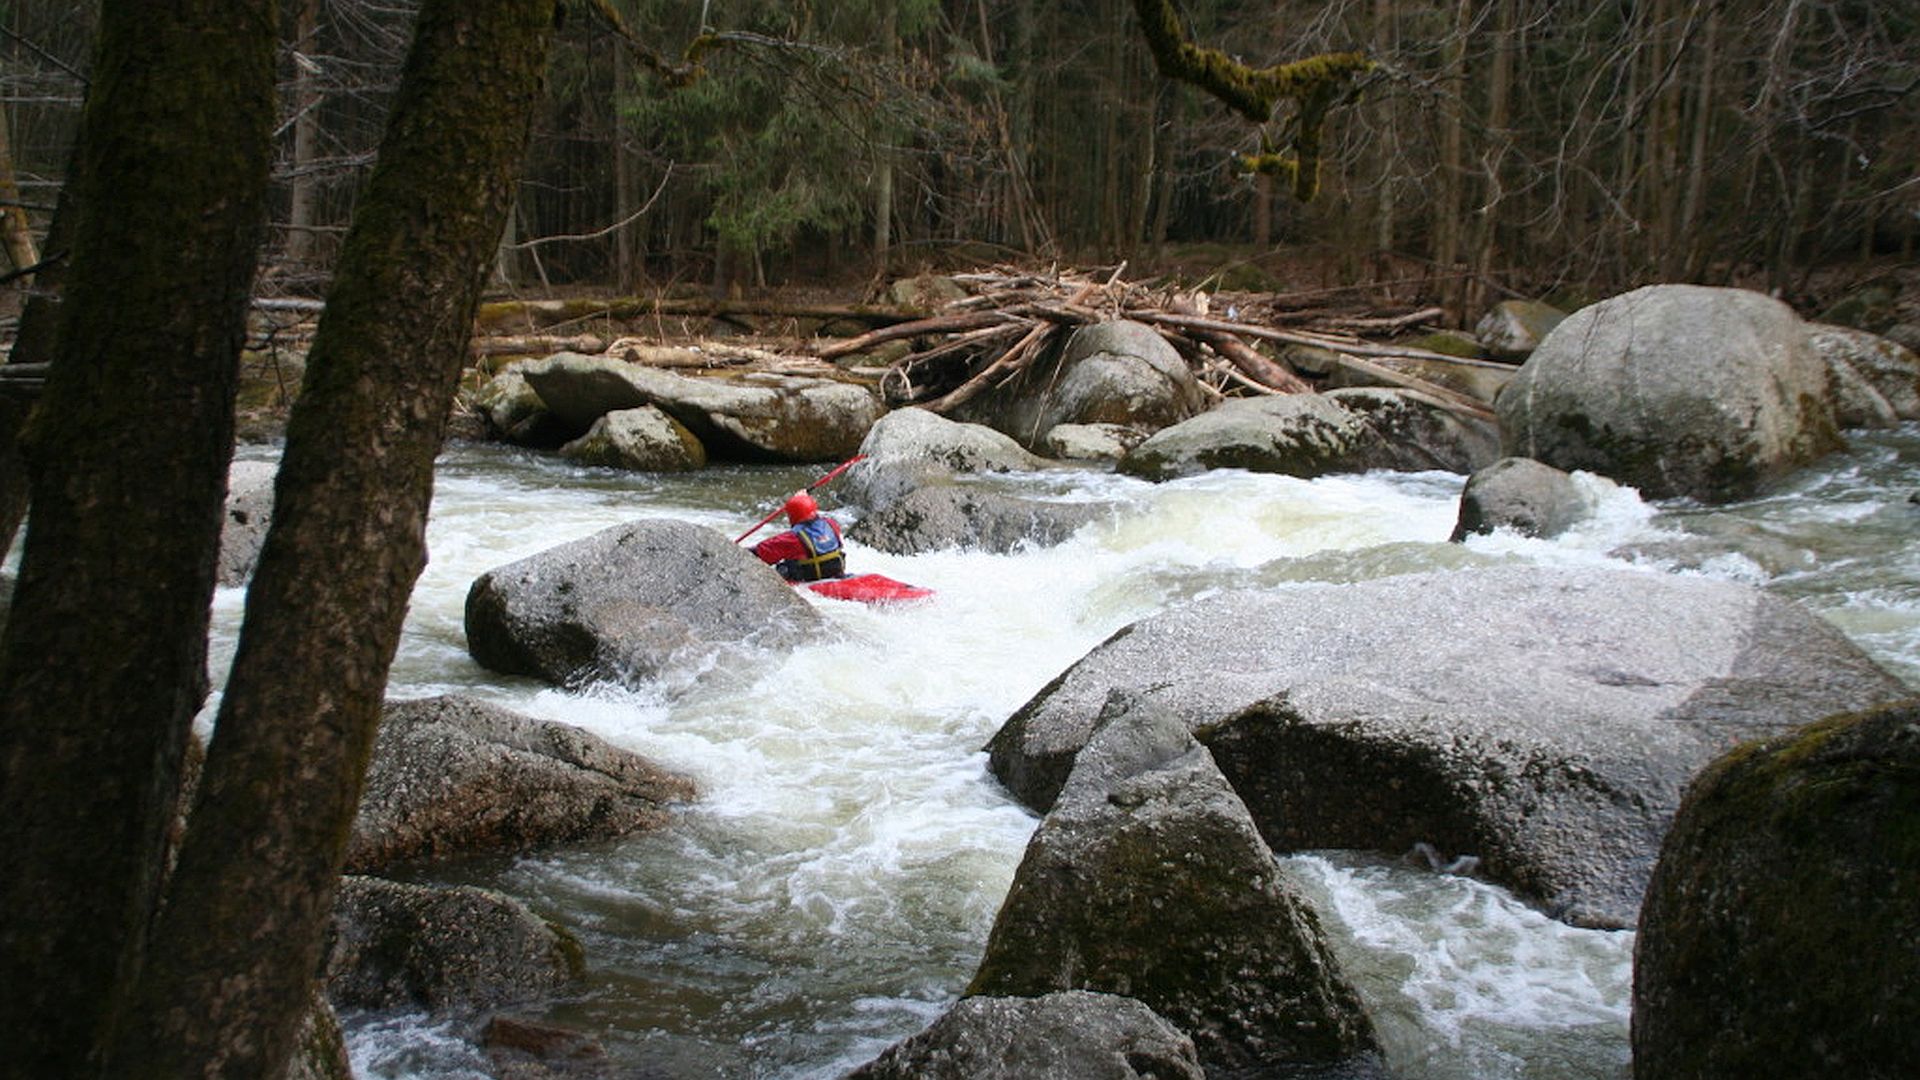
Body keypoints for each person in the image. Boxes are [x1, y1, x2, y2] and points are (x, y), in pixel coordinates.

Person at [751, 491, 847, 582]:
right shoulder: (831, 524)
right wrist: (803, 499)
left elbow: (760, 553)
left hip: (809, 579)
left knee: (782, 568)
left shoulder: (792, 538)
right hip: (834, 574)